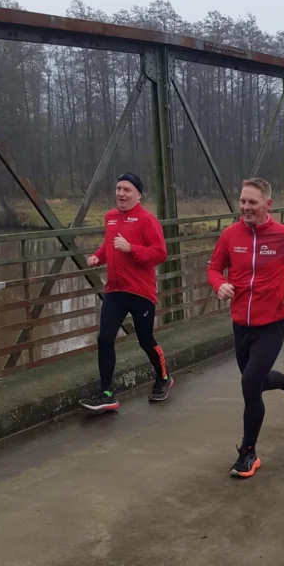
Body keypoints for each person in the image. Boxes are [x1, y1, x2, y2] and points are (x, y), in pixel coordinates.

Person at [207, 177, 284, 478]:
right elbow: (214, 268)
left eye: (252, 202)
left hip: (272, 324)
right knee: (253, 379)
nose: (245, 207)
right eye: (242, 201)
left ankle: (248, 452)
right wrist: (220, 285)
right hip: (241, 323)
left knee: (249, 384)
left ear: (268, 204)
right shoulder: (231, 235)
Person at [80, 173, 172, 412]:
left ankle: (163, 378)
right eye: (118, 188)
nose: (121, 193)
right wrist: (97, 257)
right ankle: (107, 394)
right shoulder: (110, 218)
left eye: (127, 190)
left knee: (145, 340)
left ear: (138, 195)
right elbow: (108, 244)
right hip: (114, 290)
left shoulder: (147, 220)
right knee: (104, 339)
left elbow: (160, 253)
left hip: (140, 292)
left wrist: (132, 249)